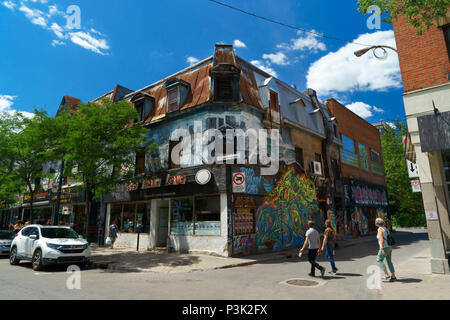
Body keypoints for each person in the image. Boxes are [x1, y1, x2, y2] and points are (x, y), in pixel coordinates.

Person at [376, 218, 397, 282]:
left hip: (384, 247)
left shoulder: (380, 229)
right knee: (389, 261)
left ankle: (386, 275)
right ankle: (393, 276)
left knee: (379, 260)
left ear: (377, 223)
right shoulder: (386, 229)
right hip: (389, 247)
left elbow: (382, 240)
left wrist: (382, 249)